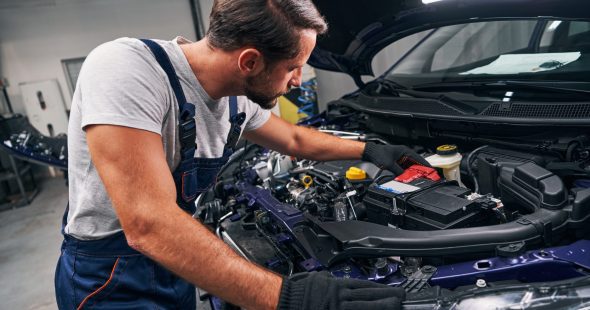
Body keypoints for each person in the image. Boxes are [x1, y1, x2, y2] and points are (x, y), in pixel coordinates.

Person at [54, 0, 428, 309]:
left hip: (176, 264)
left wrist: (371, 150)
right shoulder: (127, 68)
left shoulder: (235, 99)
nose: (298, 79)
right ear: (249, 62)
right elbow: (148, 224)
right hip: (110, 277)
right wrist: (288, 297)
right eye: (293, 67)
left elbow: (295, 141)